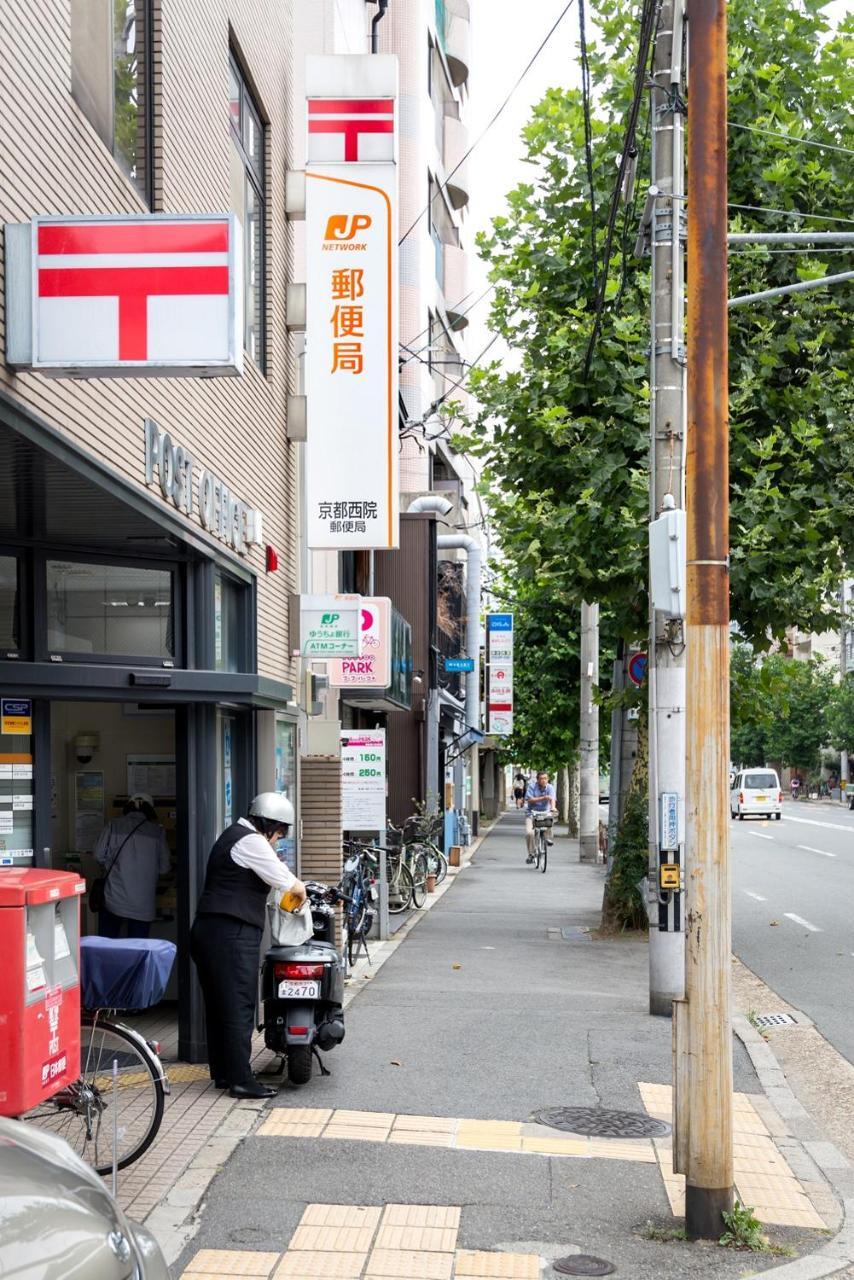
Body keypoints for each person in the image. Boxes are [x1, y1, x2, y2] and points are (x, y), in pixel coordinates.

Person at [190, 793, 307, 1099]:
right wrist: (302, 892)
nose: (279, 838)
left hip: (210, 930)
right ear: (269, 823)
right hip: (231, 932)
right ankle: (242, 1081)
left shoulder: (232, 836)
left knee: (220, 1007)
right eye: (280, 831)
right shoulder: (251, 841)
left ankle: (226, 1074)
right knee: (239, 1006)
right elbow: (287, 881)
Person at [94, 793, 170, 939]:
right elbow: (164, 868)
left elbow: (98, 855)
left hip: (113, 901)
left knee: (107, 948)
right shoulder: (157, 832)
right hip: (143, 905)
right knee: (138, 951)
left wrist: (112, 864)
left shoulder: (113, 825)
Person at [524, 770, 557, 863]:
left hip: (544, 813)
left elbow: (552, 799)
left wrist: (553, 808)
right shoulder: (532, 786)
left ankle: (547, 838)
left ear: (548, 779)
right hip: (531, 813)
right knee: (529, 833)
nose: (543, 780)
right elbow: (530, 800)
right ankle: (531, 854)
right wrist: (543, 798)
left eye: (545, 778)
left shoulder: (550, 787)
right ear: (537, 780)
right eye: (541, 779)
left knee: (550, 817)